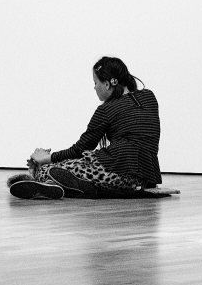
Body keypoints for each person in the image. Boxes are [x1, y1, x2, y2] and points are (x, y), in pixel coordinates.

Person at [8, 56, 162, 200]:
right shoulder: (149, 97)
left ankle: (44, 179)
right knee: (63, 171)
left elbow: (79, 149)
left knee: (47, 169)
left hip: (115, 170)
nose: (94, 87)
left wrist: (46, 158)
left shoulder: (106, 110)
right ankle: (70, 186)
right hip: (144, 178)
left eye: (96, 83)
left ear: (107, 84)